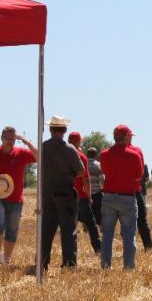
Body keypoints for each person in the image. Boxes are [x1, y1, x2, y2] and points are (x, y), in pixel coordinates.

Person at [0, 126, 38, 265]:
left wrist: (26, 142)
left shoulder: (21, 153)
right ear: (2, 137)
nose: (11, 141)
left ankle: (7, 260)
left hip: (16, 198)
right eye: (8, 138)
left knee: (12, 228)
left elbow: (39, 157)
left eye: (13, 138)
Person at [40, 116, 84, 272]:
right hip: (65, 192)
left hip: (47, 193)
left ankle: (42, 262)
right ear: (65, 130)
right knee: (68, 230)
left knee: (46, 229)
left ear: (51, 129)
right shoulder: (70, 149)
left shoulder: (43, 147)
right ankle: (69, 264)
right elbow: (80, 171)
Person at [99, 125, 144, 270]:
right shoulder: (134, 155)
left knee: (107, 235)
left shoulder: (104, 154)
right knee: (129, 235)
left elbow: (105, 171)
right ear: (125, 136)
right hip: (127, 197)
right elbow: (139, 176)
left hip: (109, 196)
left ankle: (106, 266)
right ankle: (129, 267)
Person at [68, 132, 101, 254]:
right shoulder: (81, 156)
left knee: (70, 227)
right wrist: (89, 196)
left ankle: (71, 253)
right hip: (80, 196)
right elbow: (86, 180)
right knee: (91, 225)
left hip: (66, 196)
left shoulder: (62, 154)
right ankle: (98, 249)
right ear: (78, 142)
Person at [126, 131, 152, 251]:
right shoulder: (137, 150)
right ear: (127, 136)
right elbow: (141, 172)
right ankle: (148, 246)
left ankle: (128, 248)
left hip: (118, 190)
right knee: (142, 220)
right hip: (135, 190)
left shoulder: (111, 152)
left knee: (124, 223)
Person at [87, 147, 104, 225]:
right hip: (97, 193)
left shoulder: (84, 164)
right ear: (96, 155)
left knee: (87, 214)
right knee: (98, 214)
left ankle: (86, 230)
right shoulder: (99, 165)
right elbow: (102, 179)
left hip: (86, 193)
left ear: (87, 155)